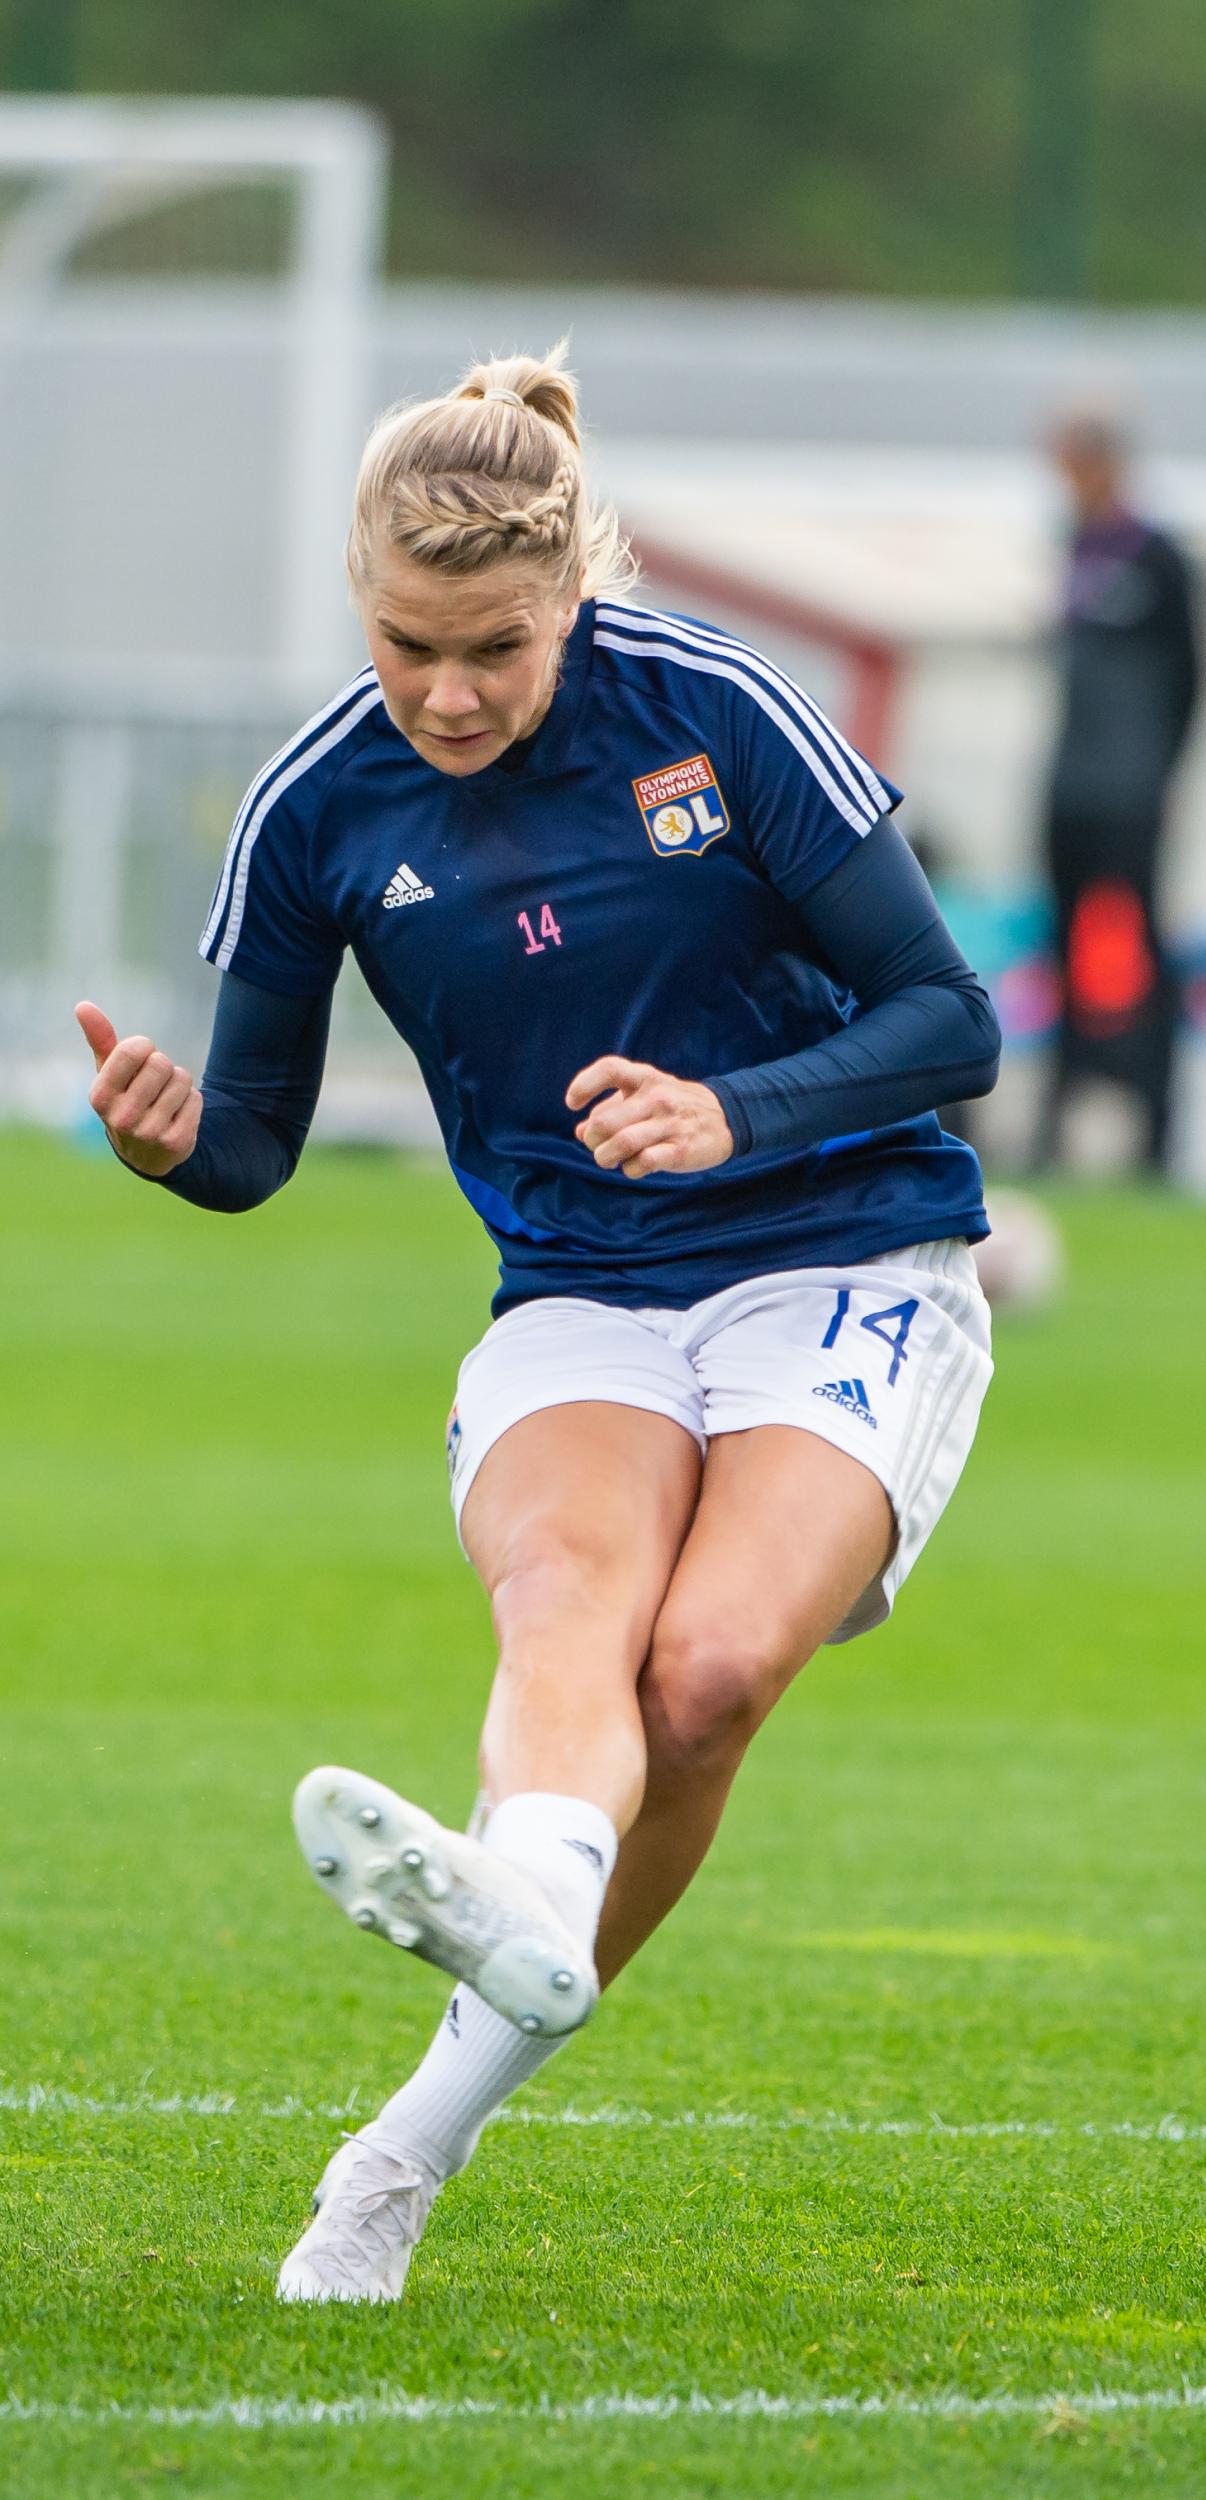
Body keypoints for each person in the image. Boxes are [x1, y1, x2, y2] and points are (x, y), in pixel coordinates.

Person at [75, 348, 1001, 2304]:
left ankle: (412, 2136)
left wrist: (731, 1109)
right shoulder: (319, 801)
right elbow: (251, 1142)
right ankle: (528, 1918)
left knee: (713, 1673)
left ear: (571, 592)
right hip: (580, 1289)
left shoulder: (718, 710)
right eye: (410, 643)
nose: (449, 691)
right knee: (572, 1601)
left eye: (494, 645)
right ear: (362, 601)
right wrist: (174, 1144)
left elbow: (950, 1019)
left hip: (844, 1255)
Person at [1042, 407, 1203, 1174]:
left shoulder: (1158, 557)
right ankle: (1056, 1122)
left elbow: (1196, 675)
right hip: (1069, 787)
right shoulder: (1069, 548)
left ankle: (1159, 1131)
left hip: (1131, 791)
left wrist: (1166, 772)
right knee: (1061, 948)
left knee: (1145, 952)